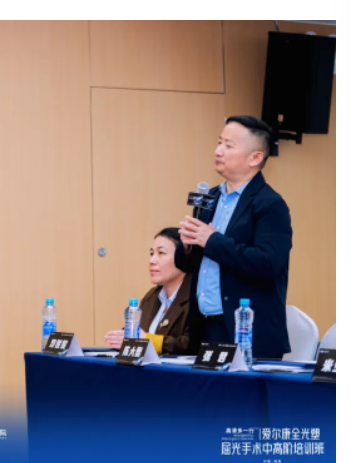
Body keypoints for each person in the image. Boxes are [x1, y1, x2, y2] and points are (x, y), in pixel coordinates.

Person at [175, 115, 292, 359]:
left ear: (255, 158)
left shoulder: (270, 204)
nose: (218, 151)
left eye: (229, 146)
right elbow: (192, 265)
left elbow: (267, 263)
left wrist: (212, 240)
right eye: (219, 142)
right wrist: (186, 247)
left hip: (246, 332)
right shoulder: (210, 197)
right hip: (203, 326)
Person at [105, 227, 191, 355]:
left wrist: (148, 341)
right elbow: (137, 335)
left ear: (183, 258)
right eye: (152, 254)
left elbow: (191, 345)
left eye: (161, 253)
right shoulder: (152, 296)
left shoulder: (197, 297)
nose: (151, 261)